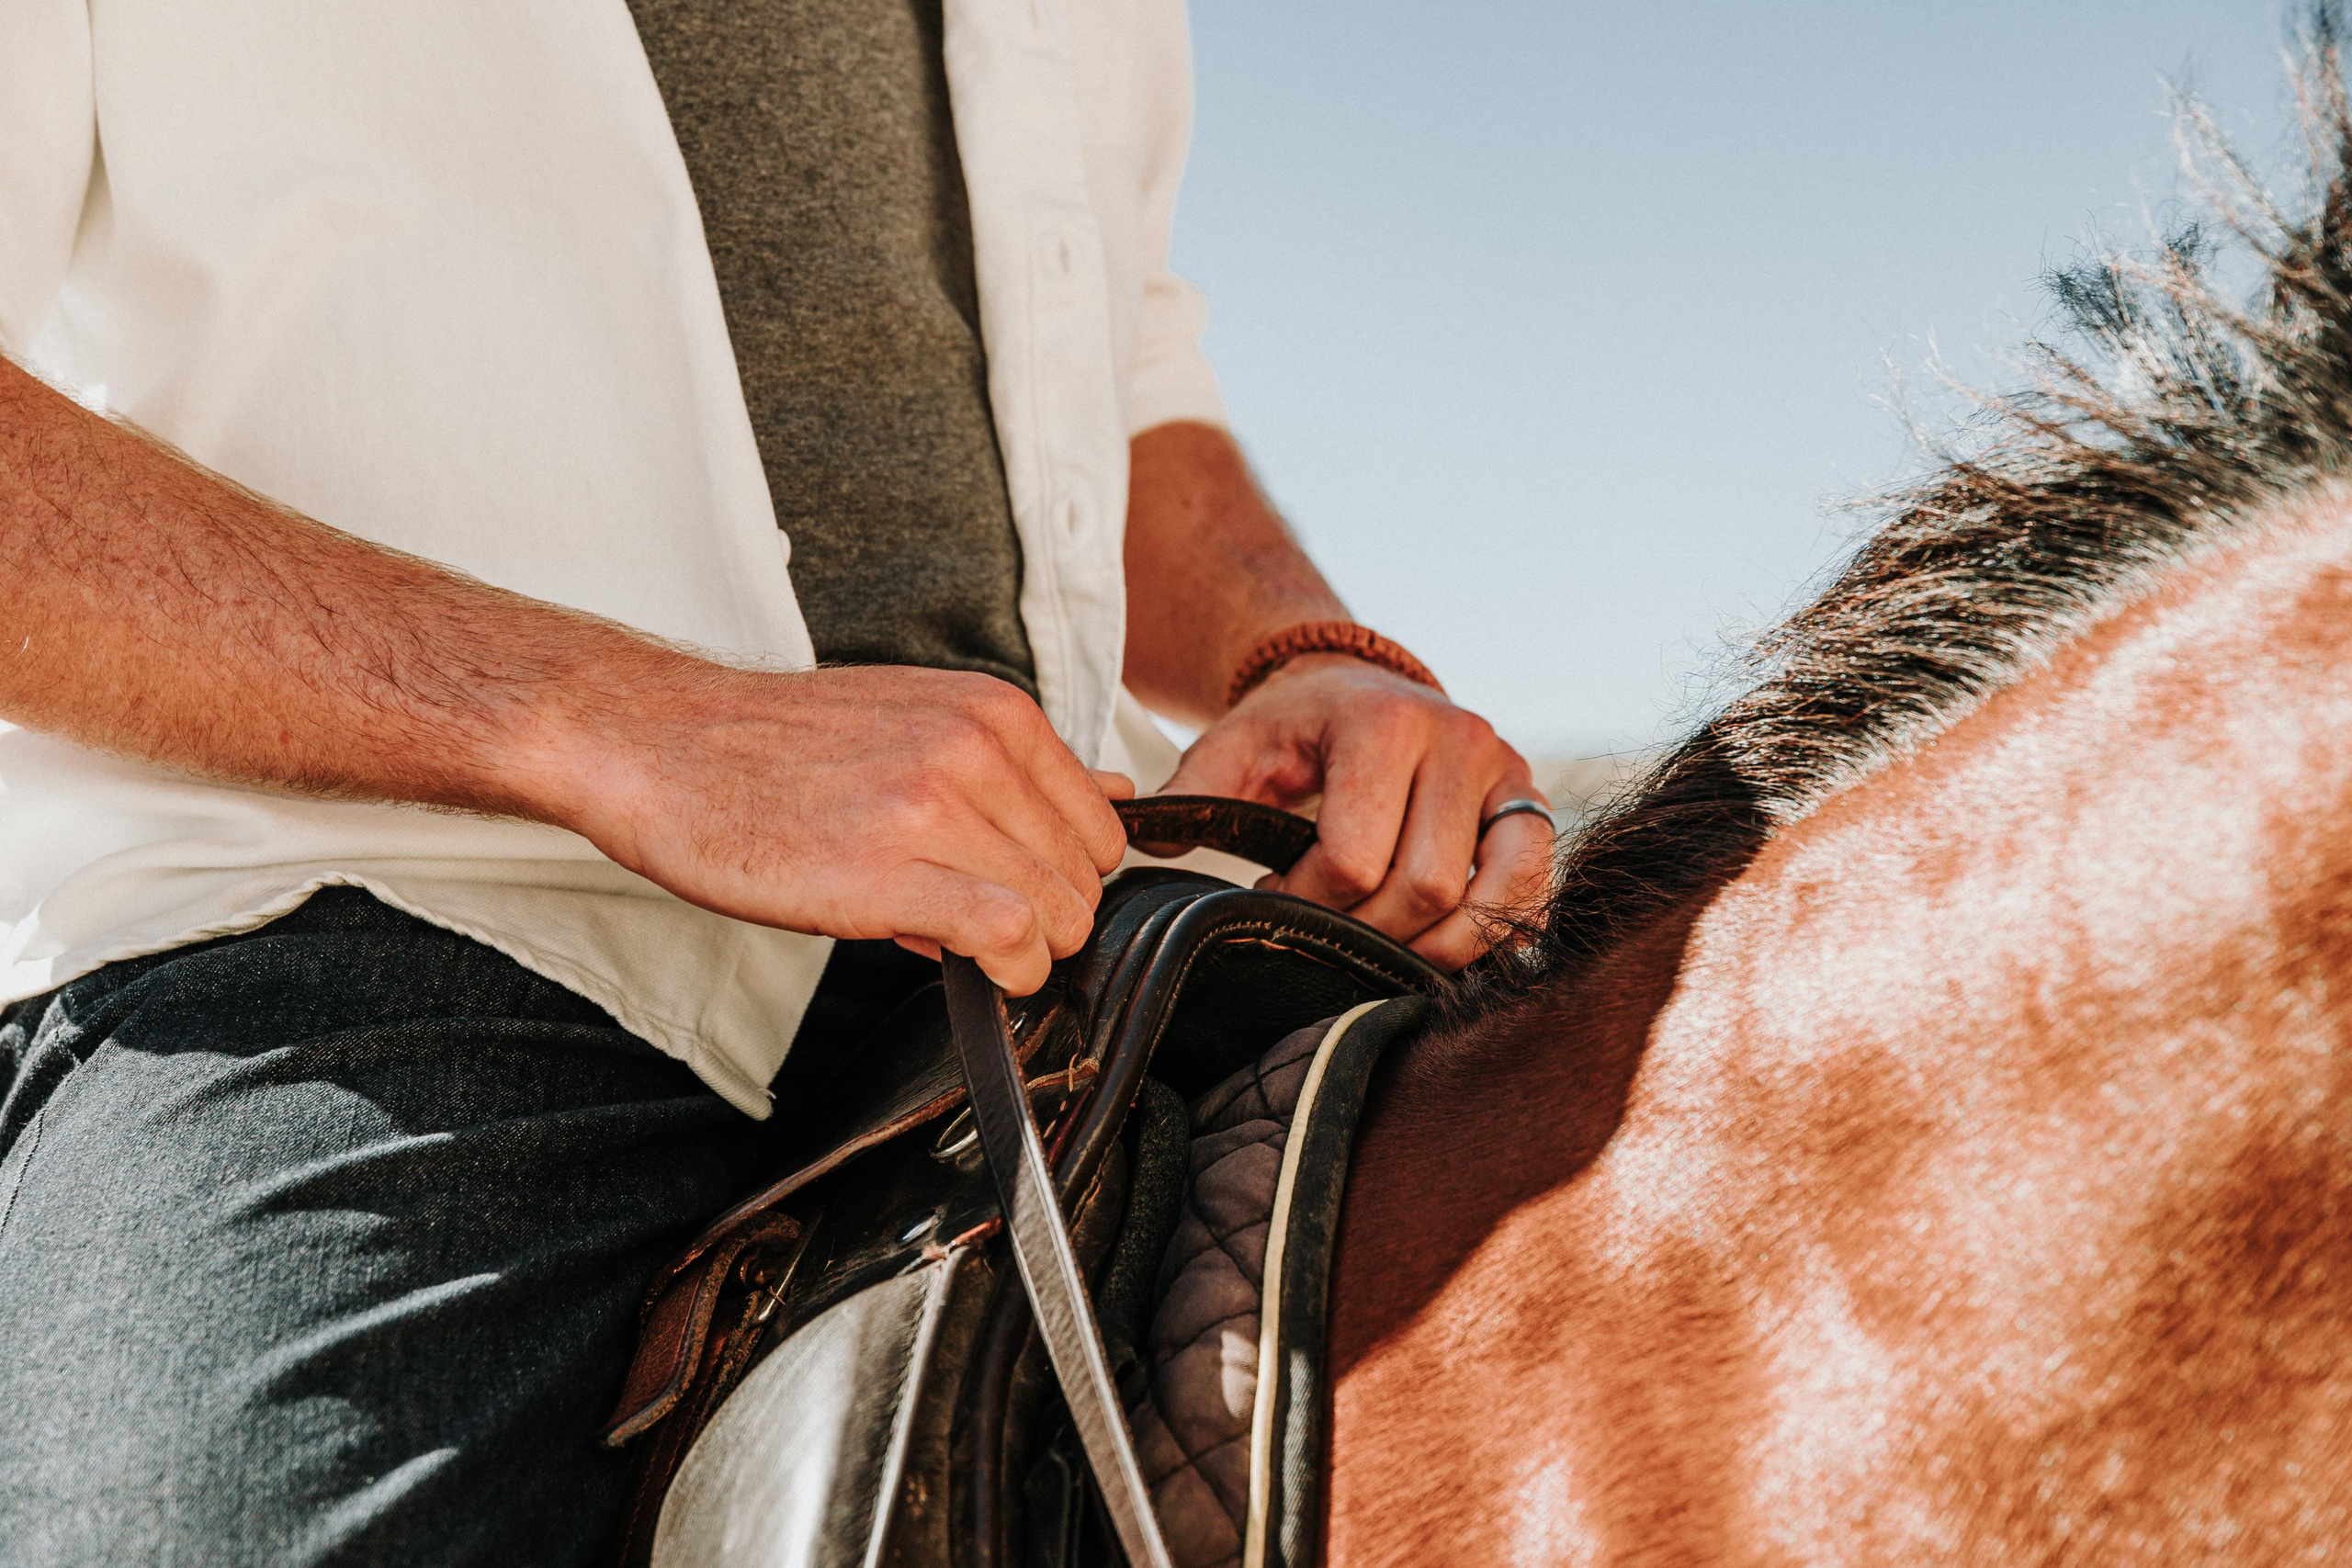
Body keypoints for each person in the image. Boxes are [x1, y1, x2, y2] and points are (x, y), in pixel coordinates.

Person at [0, 1, 1550, 1561]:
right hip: (363, 932)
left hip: (1046, 931)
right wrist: (614, 723)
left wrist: (1293, 647)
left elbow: (1119, 375)